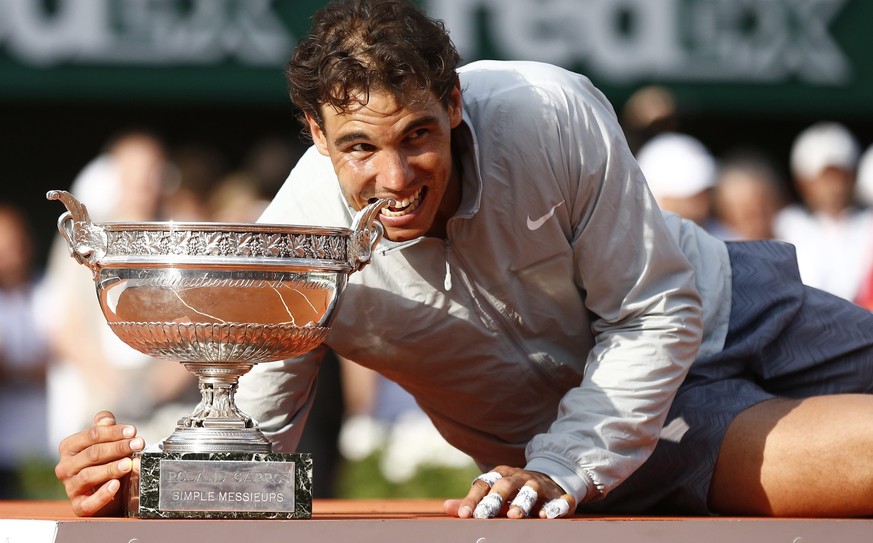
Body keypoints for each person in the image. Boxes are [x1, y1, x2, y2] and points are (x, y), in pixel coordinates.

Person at [56, 0, 873, 520]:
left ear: (452, 102)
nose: (395, 175)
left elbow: (655, 308)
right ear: (316, 136)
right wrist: (158, 486)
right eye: (359, 147)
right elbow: (253, 439)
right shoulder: (298, 239)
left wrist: (558, 465)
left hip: (732, 300)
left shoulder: (550, 111)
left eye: (417, 134)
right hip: (631, 446)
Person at [773, 122, 873, 301]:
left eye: (842, 174)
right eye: (824, 177)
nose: (835, 186)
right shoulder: (783, 226)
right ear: (802, 182)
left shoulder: (868, 224)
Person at [0, 204, 52, 498]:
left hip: (47, 444)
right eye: (4, 246)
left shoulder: (49, 291)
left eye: (17, 243)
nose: (13, 253)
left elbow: (62, 360)